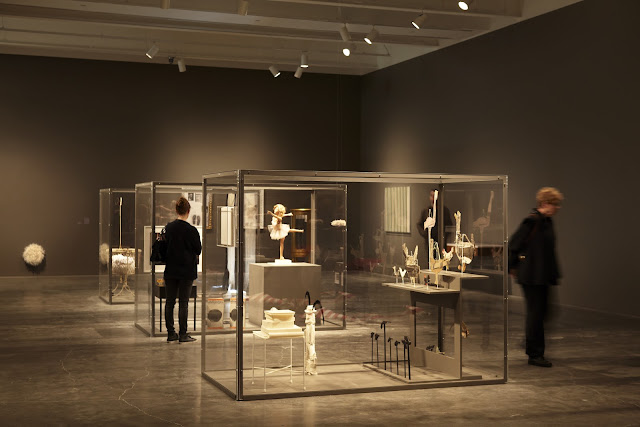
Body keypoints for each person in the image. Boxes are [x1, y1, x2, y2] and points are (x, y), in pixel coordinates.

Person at [509, 187, 563, 367]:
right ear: (545, 203)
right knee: (536, 314)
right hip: (531, 275)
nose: (557, 208)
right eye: (555, 204)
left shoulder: (547, 222)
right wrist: (512, 267)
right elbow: (514, 244)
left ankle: (531, 343)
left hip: (543, 274)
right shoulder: (531, 221)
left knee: (544, 312)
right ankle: (535, 354)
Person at [164, 196, 202, 343]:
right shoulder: (191, 230)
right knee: (183, 303)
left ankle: (170, 333)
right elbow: (198, 250)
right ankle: (183, 334)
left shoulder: (168, 228)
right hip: (187, 271)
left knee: (170, 302)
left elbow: (162, 248)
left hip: (171, 270)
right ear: (188, 211)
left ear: (176, 210)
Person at [416, 189, 452, 260]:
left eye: (434, 196)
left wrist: (444, 236)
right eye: (431, 196)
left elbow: (449, 226)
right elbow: (419, 224)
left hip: (441, 242)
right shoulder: (426, 211)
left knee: (441, 259)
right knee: (431, 259)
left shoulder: (444, 211)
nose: (433, 198)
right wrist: (425, 234)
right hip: (429, 241)